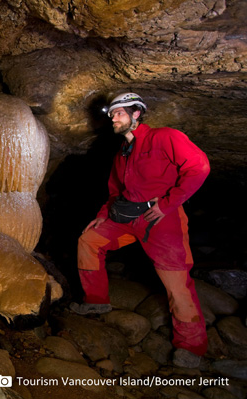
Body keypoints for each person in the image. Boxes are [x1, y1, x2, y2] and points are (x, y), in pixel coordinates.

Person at [70, 92, 210, 368]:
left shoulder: (164, 137)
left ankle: (192, 346)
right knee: (89, 241)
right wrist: (101, 216)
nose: (113, 118)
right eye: (111, 114)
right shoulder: (122, 154)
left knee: (177, 283)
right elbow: (114, 192)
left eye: (119, 112)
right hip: (125, 217)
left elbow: (199, 167)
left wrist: (168, 204)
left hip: (161, 222)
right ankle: (96, 301)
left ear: (137, 114)